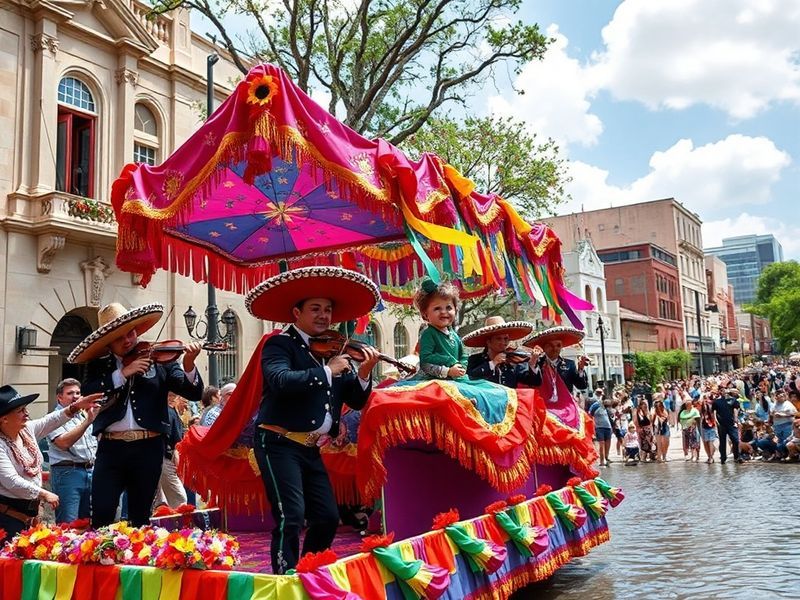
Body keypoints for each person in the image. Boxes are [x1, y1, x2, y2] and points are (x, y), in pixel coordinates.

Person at [246, 266, 381, 574]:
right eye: (315, 309)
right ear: (297, 312)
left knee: (327, 517)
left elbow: (356, 399)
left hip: (309, 448)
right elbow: (280, 380)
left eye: (328, 310)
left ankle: (305, 572)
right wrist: (326, 372)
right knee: (290, 516)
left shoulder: (333, 350)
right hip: (277, 442)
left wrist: (362, 373)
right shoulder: (279, 344)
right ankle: (284, 580)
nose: (323, 316)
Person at [68, 302, 204, 527]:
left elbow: (192, 391)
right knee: (102, 511)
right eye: (120, 337)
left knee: (140, 515)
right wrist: (122, 373)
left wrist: (189, 364)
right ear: (108, 342)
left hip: (148, 446)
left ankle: (133, 558)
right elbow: (89, 390)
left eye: (131, 333)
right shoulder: (100, 364)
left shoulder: (159, 358)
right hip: (111, 447)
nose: (128, 340)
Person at [0, 385, 101, 538]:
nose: (26, 413)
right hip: (7, 515)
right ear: (4, 419)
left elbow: (52, 420)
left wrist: (75, 407)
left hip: (31, 513)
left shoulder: (27, 430)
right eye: (20, 410)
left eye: (25, 408)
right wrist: (43, 494)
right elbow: (11, 481)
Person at [46, 378, 100, 523]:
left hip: (90, 471)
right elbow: (63, 443)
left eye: (78, 392)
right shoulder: (52, 418)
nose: (75, 396)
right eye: (70, 393)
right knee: (68, 524)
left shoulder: (83, 414)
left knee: (87, 524)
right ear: (59, 397)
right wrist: (88, 421)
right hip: (67, 473)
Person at [463, 316, 541, 388]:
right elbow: (469, 378)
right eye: (498, 339)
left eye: (506, 338)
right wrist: (493, 363)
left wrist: (532, 363)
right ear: (488, 342)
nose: (503, 342)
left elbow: (534, 382)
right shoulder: (475, 360)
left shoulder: (513, 360)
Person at [154, 393, 188, 509]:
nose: (186, 405)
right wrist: (176, 458)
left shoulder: (171, 413)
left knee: (162, 500)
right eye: (184, 401)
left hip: (162, 458)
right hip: (164, 458)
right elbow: (171, 441)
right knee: (179, 498)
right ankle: (183, 524)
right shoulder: (168, 412)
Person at [711, 387, 741, 464]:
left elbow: (736, 409)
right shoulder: (716, 402)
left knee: (735, 440)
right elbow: (714, 412)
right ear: (720, 392)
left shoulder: (733, 401)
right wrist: (716, 422)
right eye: (722, 390)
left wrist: (736, 420)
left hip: (731, 424)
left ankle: (736, 457)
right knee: (722, 441)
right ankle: (723, 458)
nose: (725, 392)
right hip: (721, 424)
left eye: (726, 391)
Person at [587, 390, 613, 467]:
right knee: (601, 444)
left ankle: (606, 457)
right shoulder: (596, 405)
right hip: (599, 427)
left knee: (608, 444)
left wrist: (612, 427)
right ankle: (602, 461)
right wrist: (592, 427)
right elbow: (589, 415)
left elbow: (609, 417)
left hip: (608, 427)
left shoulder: (607, 408)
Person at [652, 397, 671, 463]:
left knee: (666, 443)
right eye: (657, 405)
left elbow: (666, 418)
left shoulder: (664, 410)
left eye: (660, 405)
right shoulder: (654, 412)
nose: (658, 406)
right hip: (657, 428)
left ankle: (664, 456)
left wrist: (660, 417)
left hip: (665, 427)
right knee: (659, 444)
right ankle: (659, 458)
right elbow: (652, 421)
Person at [699, 397, 718, 463]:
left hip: (709, 426)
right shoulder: (709, 407)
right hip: (709, 426)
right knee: (709, 442)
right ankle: (710, 457)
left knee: (708, 442)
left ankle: (710, 457)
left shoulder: (707, 408)